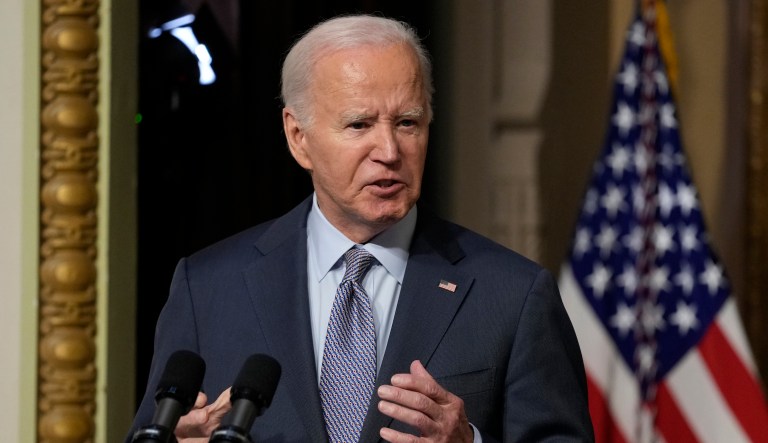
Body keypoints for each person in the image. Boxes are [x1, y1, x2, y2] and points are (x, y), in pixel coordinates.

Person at [127, 14, 594, 443]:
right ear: (298, 137)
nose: (389, 150)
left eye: (408, 122)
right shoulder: (207, 289)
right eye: (359, 124)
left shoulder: (512, 295)